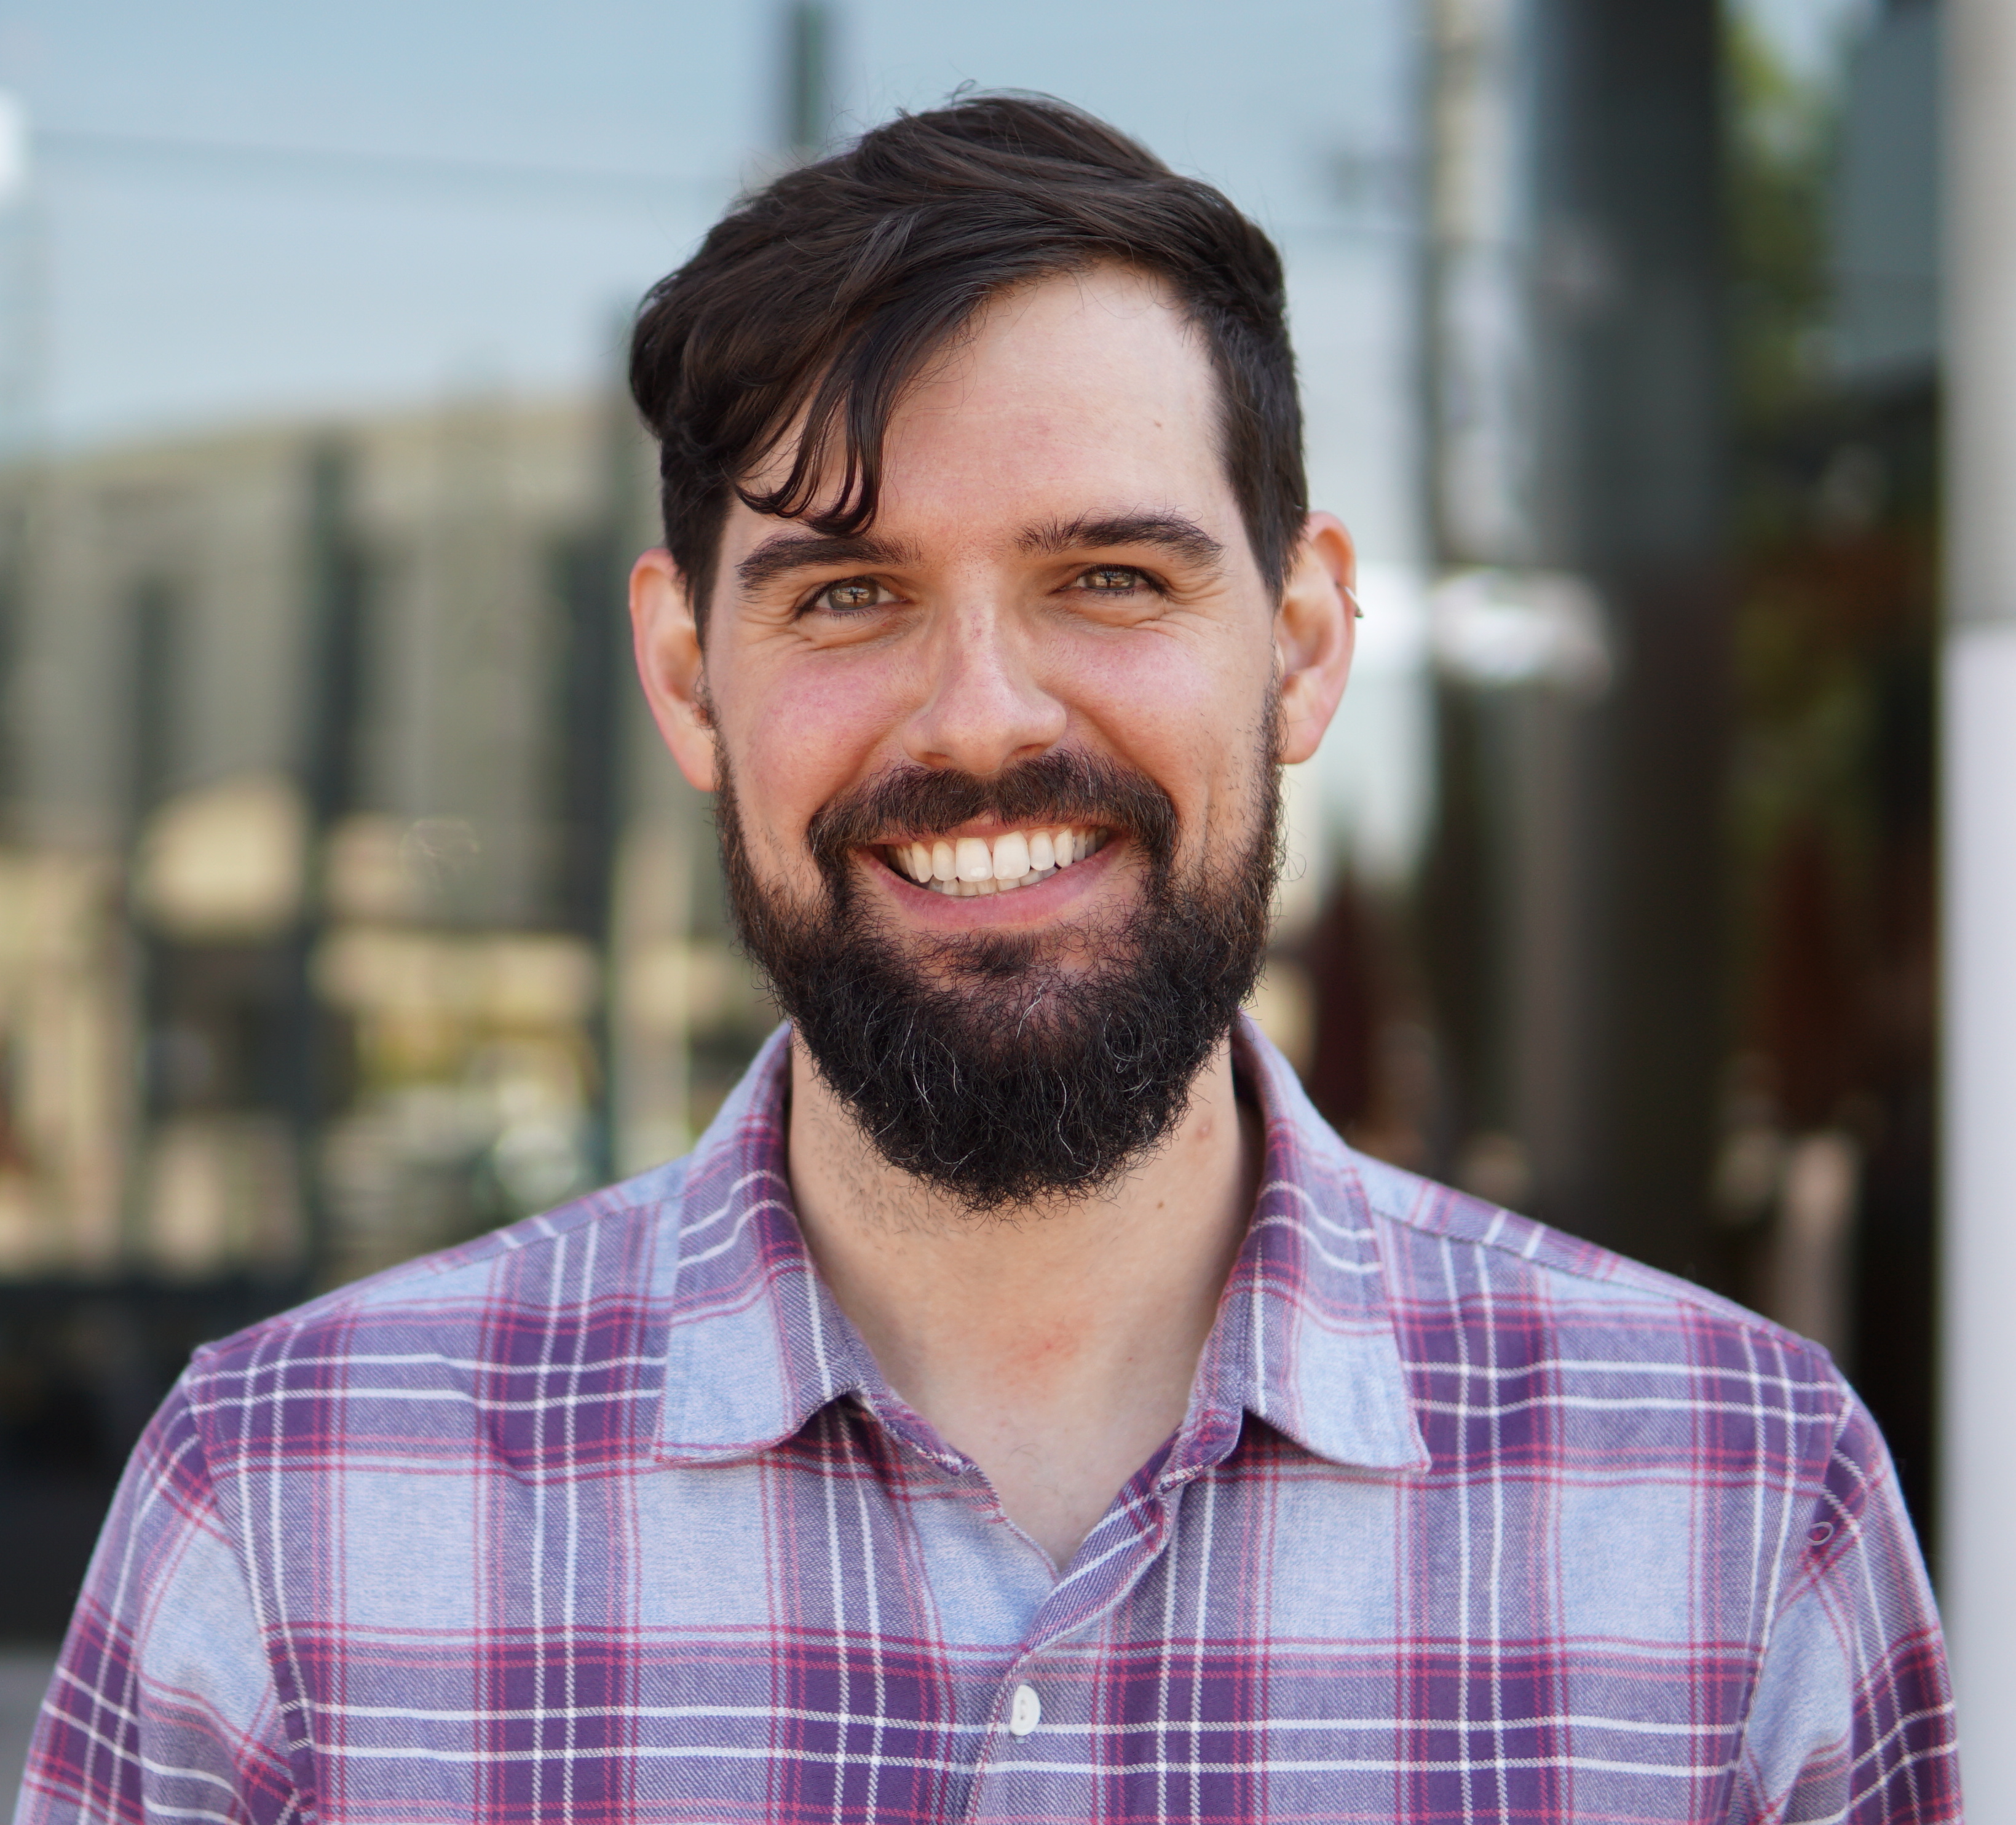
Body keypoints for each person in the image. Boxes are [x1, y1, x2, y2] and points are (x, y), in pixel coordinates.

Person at [20, 96, 1957, 1825]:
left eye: (1107, 578)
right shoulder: (283, 1511)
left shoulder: (1735, 1506)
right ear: (690, 673)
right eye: (850, 594)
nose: (976, 719)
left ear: (1298, 643)